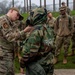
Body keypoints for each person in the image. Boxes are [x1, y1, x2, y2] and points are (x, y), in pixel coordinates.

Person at [19, 7, 55, 75]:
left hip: (37, 68)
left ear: (37, 17)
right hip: (48, 64)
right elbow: (53, 47)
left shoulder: (36, 32)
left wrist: (22, 63)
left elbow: (30, 53)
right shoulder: (49, 29)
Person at [0, 7, 33, 75]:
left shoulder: (12, 24)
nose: (17, 17)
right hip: (3, 55)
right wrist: (24, 31)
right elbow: (10, 37)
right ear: (11, 11)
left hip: (10, 54)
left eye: (19, 16)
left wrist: (31, 33)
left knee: (10, 72)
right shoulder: (3, 20)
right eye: (17, 14)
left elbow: (19, 36)